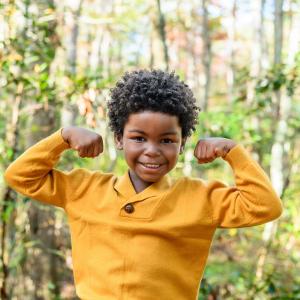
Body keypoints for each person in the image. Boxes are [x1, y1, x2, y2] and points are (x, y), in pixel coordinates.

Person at [4, 69, 283, 300]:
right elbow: (20, 176)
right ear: (119, 139)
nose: (152, 150)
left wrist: (233, 152)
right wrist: (62, 137)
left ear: (182, 143)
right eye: (138, 138)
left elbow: (265, 207)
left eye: (166, 140)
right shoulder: (84, 189)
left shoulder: (201, 198)